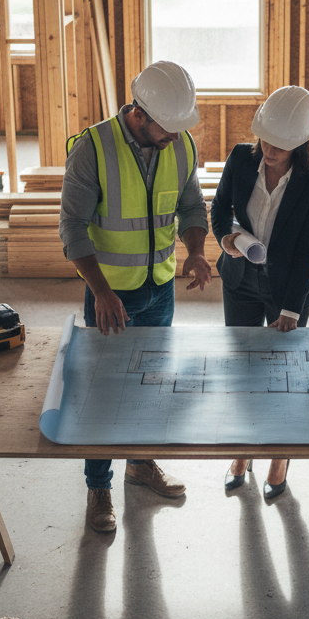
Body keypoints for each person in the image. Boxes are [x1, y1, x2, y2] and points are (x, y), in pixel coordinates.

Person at [60, 60, 213, 533]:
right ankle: (98, 486)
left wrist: (196, 251)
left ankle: (140, 463)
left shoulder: (180, 143)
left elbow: (191, 205)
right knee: (103, 394)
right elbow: (72, 227)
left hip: (160, 290)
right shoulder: (93, 148)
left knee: (151, 384)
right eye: (167, 126)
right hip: (110, 296)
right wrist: (100, 291)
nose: (175, 135)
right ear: (139, 114)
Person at [210, 86, 309, 500]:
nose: (269, 149)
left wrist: (291, 310)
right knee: (243, 369)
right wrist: (227, 238)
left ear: (301, 141)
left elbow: (308, 248)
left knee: (286, 377)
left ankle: (280, 457)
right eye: (265, 138)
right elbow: (220, 208)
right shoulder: (241, 158)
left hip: (288, 288)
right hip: (240, 279)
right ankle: (243, 450)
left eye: (280, 144)